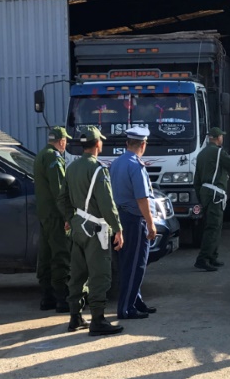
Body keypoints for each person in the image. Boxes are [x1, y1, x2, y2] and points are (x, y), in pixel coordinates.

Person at [58, 125, 125, 336]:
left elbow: (62, 199)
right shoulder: (98, 169)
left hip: (78, 227)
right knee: (99, 274)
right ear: (97, 144)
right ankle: (98, 320)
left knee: (77, 273)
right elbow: (107, 203)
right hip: (95, 229)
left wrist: (70, 218)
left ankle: (75, 317)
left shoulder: (72, 168)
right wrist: (118, 228)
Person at [109, 126, 158, 319]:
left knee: (127, 262)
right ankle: (126, 308)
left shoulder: (117, 163)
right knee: (136, 264)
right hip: (134, 219)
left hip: (121, 217)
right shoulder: (135, 166)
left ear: (127, 143)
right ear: (143, 144)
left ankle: (136, 301)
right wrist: (151, 223)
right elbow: (142, 199)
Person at [193, 127, 230, 271]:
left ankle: (212, 257)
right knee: (213, 227)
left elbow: (196, 180)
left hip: (206, 193)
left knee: (214, 226)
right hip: (215, 194)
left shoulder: (201, 154)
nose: (222, 138)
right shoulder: (218, 152)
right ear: (217, 138)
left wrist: (201, 196)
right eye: (221, 136)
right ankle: (203, 259)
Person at [33, 126, 71, 313]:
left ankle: (47, 298)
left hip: (45, 214)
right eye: (66, 141)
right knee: (61, 255)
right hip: (56, 215)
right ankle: (62, 299)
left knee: (46, 256)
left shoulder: (42, 154)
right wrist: (67, 215)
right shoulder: (53, 157)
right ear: (61, 141)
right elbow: (59, 190)